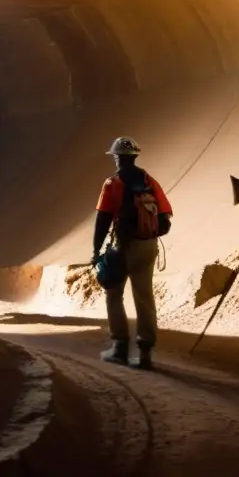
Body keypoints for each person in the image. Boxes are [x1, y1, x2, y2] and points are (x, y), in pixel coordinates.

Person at [92, 137, 172, 370]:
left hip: (123, 246)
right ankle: (145, 353)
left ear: (117, 158)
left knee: (113, 293)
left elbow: (103, 219)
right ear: (135, 156)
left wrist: (97, 250)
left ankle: (120, 347)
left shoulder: (113, 183)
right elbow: (165, 214)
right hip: (149, 245)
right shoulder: (149, 180)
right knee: (145, 296)